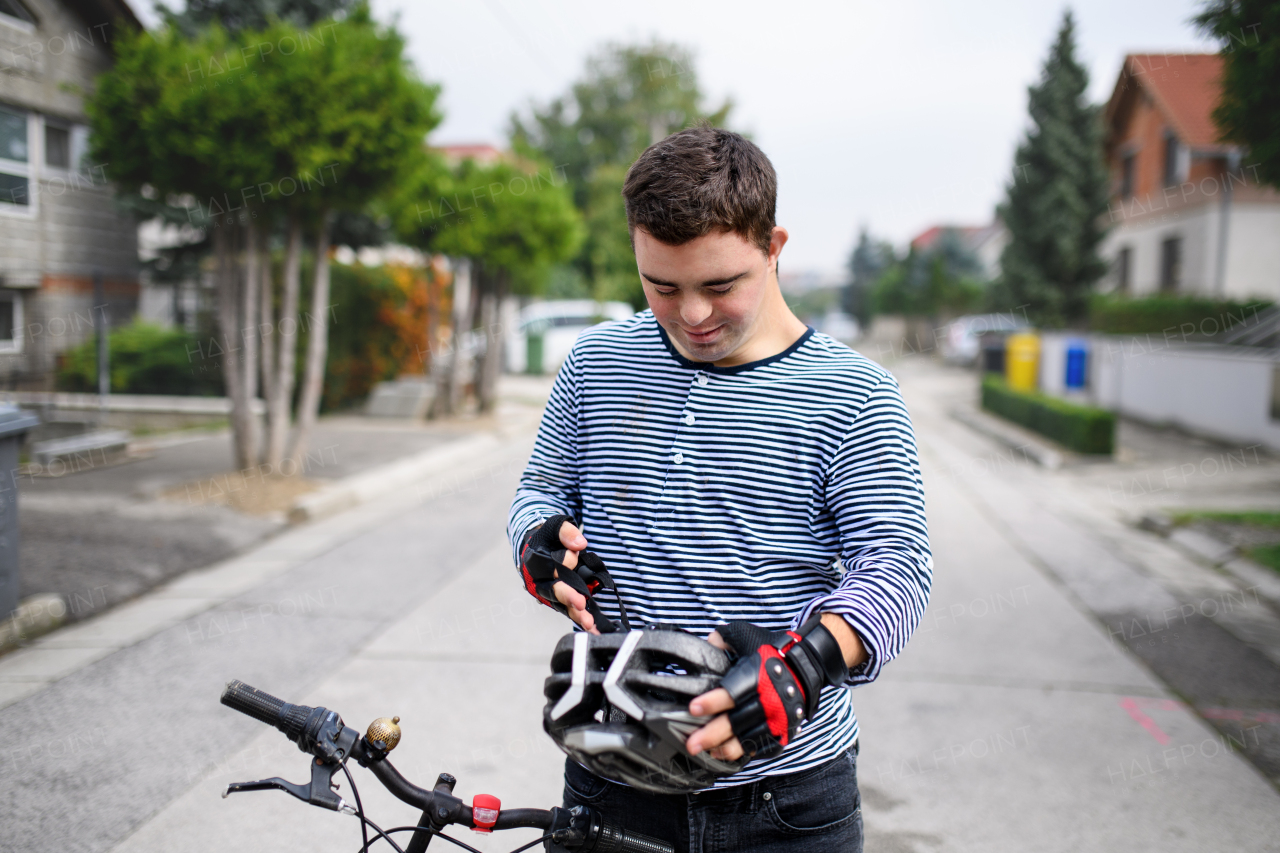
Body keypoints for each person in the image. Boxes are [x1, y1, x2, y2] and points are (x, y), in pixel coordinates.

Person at [507, 126, 932, 853]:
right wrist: (539, 542)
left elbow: (896, 568)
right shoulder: (596, 364)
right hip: (612, 767)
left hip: (787, 800)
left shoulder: (856, 395)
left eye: (719, 285)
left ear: (774, 247)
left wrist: (806, 666)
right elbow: (541, 489)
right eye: (661, 286)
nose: (692, 315)